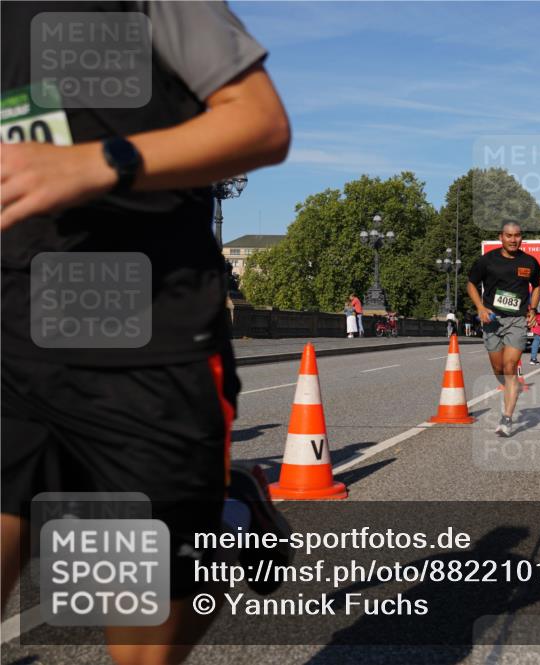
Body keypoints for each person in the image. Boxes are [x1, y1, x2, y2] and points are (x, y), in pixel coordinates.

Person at [1, 3, 291, 663]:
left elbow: (262, 123)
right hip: (12, 334)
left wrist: (95, 163)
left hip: (146, 341)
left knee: (140, 653)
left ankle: (229, 520)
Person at [466, 222, 540, 436]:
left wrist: (533, 309)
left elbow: (536, 286)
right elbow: (471, 284)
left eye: (517, 235)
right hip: (492, 320)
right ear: (501, 237)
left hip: (517, 320)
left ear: (521, 237)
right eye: (509, 235)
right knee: (498, 369)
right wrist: (480, 307)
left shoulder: (529, 262)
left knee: (510, 366)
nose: (513, 240)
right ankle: (511, 387)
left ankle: (507, 418)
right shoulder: (486, 260)